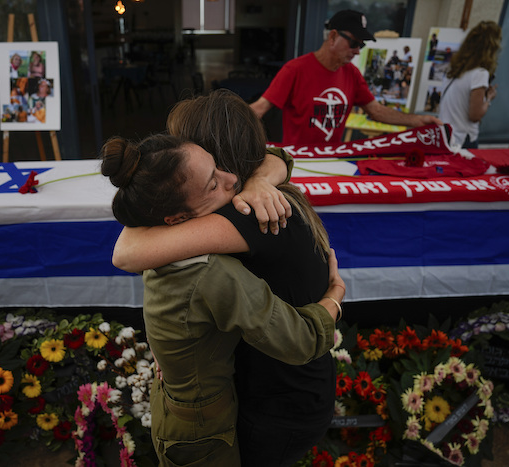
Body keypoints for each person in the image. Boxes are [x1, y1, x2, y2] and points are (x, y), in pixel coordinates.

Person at [112, 90, 343, 466]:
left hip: (277, 406)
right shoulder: (256, 194)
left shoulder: (246, 213)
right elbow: (280, 155)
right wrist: (261, 177)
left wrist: (335, 296)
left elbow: (127, 249)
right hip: (292, 393)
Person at [249, 9, 441, 145]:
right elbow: (258, 109)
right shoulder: (295, 70)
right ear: (332, 37)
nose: (357, 51)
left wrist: (417, 121)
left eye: (361, 46)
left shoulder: (352, 74)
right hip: (299, 161)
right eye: (354, 43)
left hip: (333, 158)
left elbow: (376, 111)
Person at [438, 21, 501, 149]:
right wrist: (488, 98)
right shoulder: (479, 73)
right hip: (462, 139)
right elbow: (475, 115)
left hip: (444, 135)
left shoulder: (454, 69)